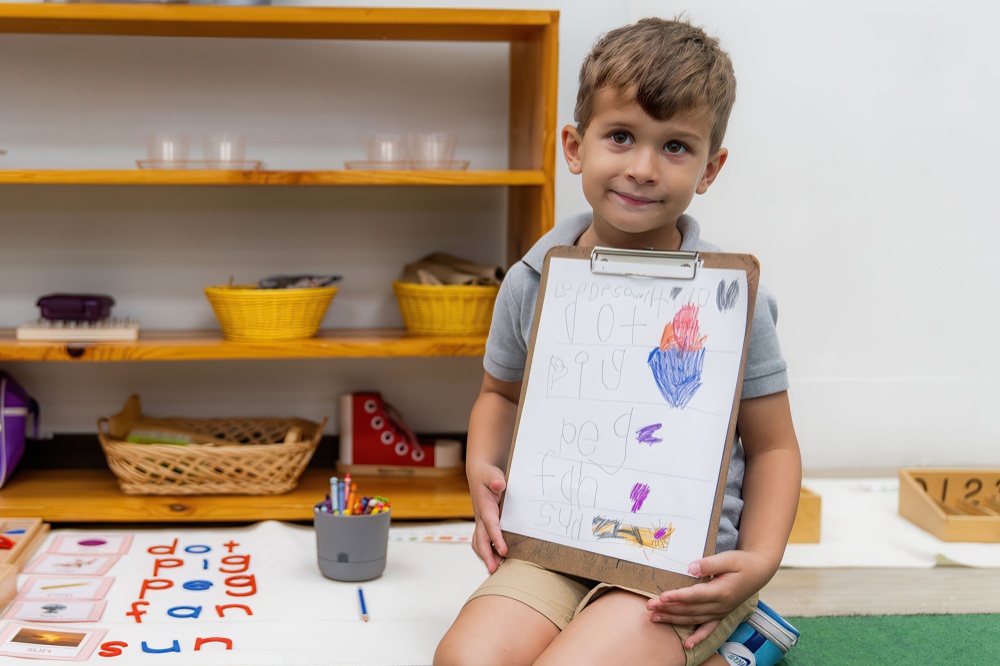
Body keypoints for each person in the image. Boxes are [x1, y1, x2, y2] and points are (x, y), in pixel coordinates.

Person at [434, 16, 801, 666]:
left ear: (711, 167)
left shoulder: (733, 301)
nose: (642, 168)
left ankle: (736, 635)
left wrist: (759, 562)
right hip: (555, 542)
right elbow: (499, 394)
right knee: (464, 660)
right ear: (575, 147)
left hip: (680, 565)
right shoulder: (531, 280)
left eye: (675, 147)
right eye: (622, 137)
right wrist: (478, 470)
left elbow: (772, 446)